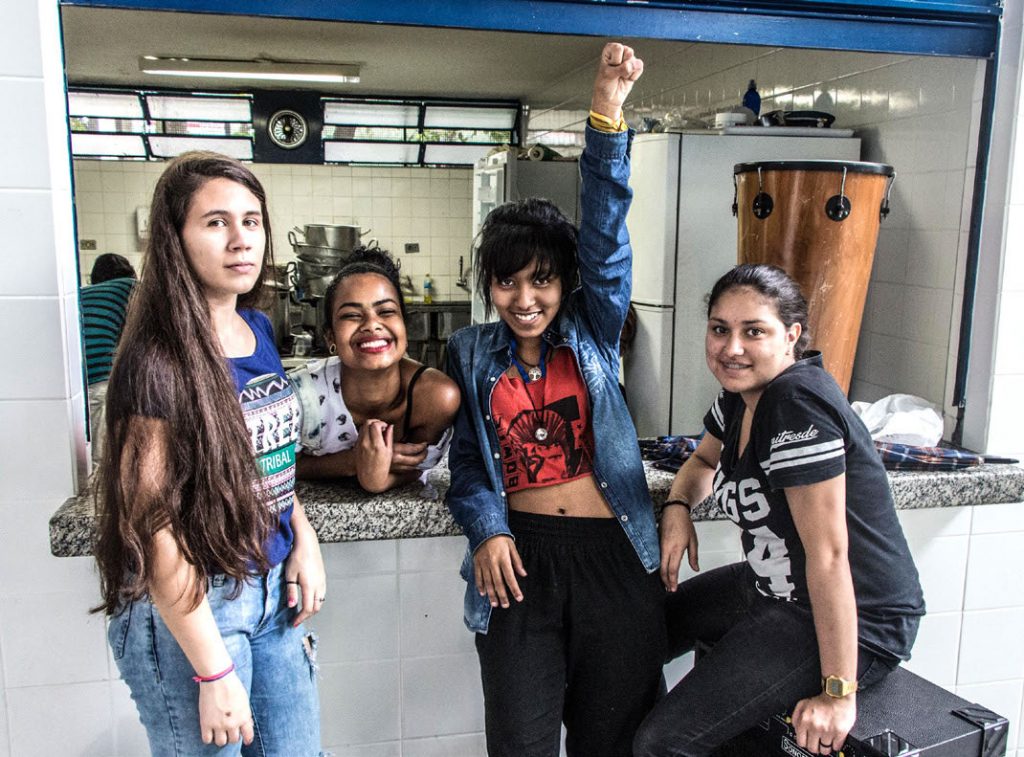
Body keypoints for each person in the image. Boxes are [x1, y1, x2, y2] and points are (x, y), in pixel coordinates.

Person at [445, 43, 665, 757]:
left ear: (564, 282)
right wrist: (488, 529)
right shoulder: (470, 352)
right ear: (489, 284)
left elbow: (605, 235)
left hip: (614, 557)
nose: (524, 298)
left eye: (541, 279)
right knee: (521, 745)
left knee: (616, 745)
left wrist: (606, 111)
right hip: (520, 566)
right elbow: (471, 467)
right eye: (508, 281)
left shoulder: (596, 330)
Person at [633, 264, 925, 757]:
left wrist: (838, 694)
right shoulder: (739, 397)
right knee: (635, 635)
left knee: (661, 744)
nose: (732, 348)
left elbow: (830, 555)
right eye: (720, 329)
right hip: (773, 586)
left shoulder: (795, 404)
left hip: (855, 617)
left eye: (754, 332)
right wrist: (679, 505)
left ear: (791, 336)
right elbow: (704, 458)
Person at [93, 151, 326, 756]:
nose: (240, 239)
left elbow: (267, 462)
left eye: (252, 221)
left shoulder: (259, 330)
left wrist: (302, 537)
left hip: (273, 596)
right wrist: (212, 671)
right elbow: (151, 525)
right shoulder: (155, 362)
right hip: (194, 607)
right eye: (216, 222)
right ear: (175, 238)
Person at [288, 246, 460, 492]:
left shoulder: (436, 397)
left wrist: (377, 479)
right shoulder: (300, 396)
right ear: (330, 337)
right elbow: (266, 469)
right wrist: (352, 461)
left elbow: (416, 468)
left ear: (404, 325)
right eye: (351, 315)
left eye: (386, 311)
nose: (372, 324)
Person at [80, 253, 137, 466]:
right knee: (102, 459)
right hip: (99, 375)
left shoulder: (83, 293)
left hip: (73, 380)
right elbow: (138, 335)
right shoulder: (130, 287)